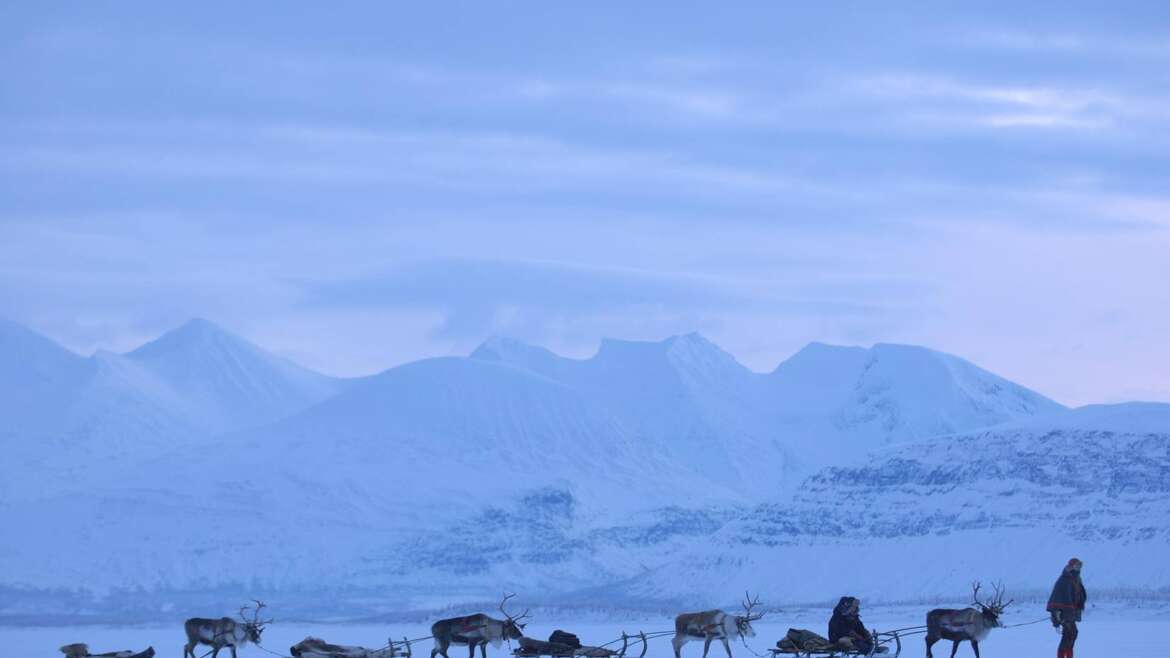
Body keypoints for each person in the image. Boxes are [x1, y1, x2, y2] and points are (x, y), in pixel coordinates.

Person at [1047, 558, 1088, 658]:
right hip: (1063, 613)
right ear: (1071, 566)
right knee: (1068, 635)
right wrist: (1056, 612)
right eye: (1077, 565)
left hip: (1071, 613)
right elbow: (1057, 596)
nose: (1078, 568)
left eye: (1080, 566)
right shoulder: (1064, 579)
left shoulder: (1076, 579)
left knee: (1072, 634)